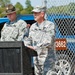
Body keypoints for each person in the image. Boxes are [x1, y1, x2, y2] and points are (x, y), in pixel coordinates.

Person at [24, 6, 55, 75]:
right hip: (37, 60)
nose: (34, 15)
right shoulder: (33, 26)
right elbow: (29, 39)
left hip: (47, 60)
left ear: (42, 14)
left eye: (36, 13)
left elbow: (48, 41)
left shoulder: (50, 25)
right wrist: (26, 44)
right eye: (33, 13)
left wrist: (35, 47)